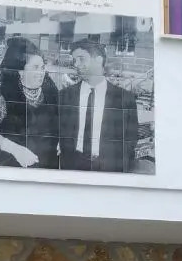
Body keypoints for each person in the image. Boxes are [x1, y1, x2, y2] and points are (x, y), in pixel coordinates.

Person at [0, 37, 60, 169]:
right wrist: (14, 149)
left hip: (47, 164)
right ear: (20, 71)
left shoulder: (51, 91)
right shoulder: (3, 95)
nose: (41, 73)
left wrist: (61, 140)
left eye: (42, 67)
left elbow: (61, 121)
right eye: (35, 67)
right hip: (12, 163)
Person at [58, 39, 139, 172]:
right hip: (72, 166)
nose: (76, 65)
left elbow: (131, 139)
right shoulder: (64, 96)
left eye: (81, 59)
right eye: (74, 60)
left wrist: (119, 166)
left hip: (109, 168)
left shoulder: (124, 99)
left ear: (98, 60)